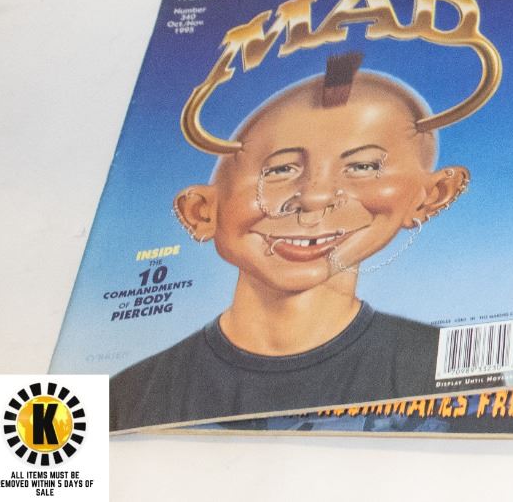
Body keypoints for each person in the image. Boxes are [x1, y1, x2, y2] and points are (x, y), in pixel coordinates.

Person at [114, 53, 465, 430]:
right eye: (279, 170)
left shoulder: (447, 369)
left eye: (362, 167)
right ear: (200, 211)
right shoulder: (127, 398)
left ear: (431, 197)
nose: (315, 197)